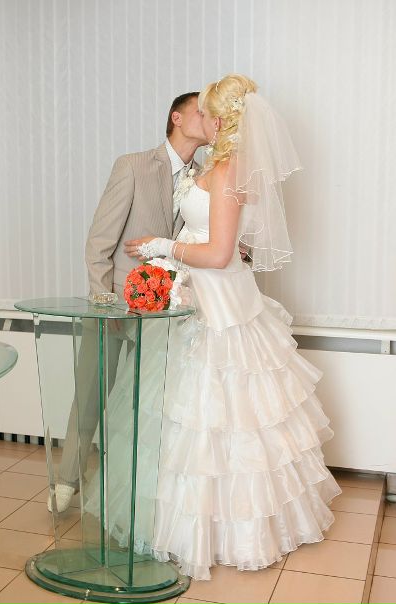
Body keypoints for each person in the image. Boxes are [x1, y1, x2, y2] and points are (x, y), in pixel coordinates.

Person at [124, 74, 342, 580]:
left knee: (219, 415)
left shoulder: (226, 172)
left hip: (220, 303)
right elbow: (234, 243)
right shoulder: (224, 167)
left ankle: (230, 533)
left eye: (207, 111)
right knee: (210, 417)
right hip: (207, 295)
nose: (202, 118)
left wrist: (162, 246)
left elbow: (221, 254)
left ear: (223, 119)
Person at [49, 92, 207, 512]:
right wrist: (104, 302)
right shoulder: (133, 165)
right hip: (116, 302)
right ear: (177, 117)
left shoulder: (205, 178)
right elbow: (99, 242)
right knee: (91, 392)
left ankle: (126, 490)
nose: (210, 118)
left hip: (168, 311)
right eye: (201, 111)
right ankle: (67, 479)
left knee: (147, 403)